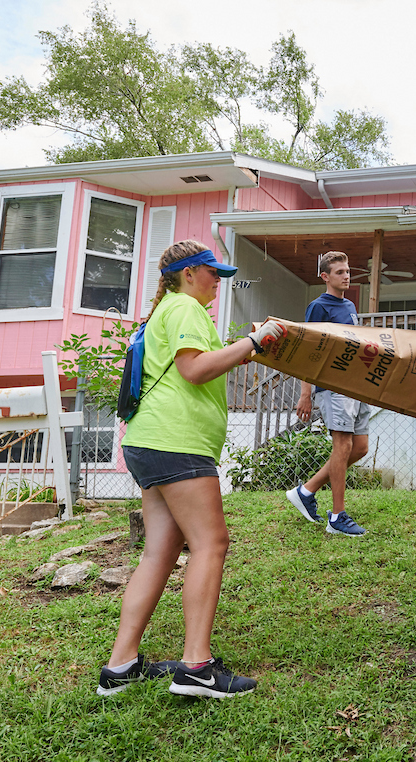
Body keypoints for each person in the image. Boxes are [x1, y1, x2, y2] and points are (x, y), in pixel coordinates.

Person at [98, 240, 286, 699]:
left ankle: (120, 666)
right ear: (187, 274)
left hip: (149, 442)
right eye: (212, 272)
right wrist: (253, 340)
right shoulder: (184, 308)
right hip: (176, 443)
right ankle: (197, 669)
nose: (218, 281)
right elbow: (194, 370)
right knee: (212, 543)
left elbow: (200, 365)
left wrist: (247, 348)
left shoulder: (169, 310)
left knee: (159, 552)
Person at [286, 251, 370, 537]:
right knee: (342, 447)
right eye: (340, 272)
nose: (346, 276)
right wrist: (305, 393)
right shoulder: (318, 306)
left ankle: (306, 491)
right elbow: (307, 352)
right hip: (332, 387)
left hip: (353, 385)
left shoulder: (349, 306)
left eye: (348, 271)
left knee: (359, 448)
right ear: (325, 277)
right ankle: (337, 517)